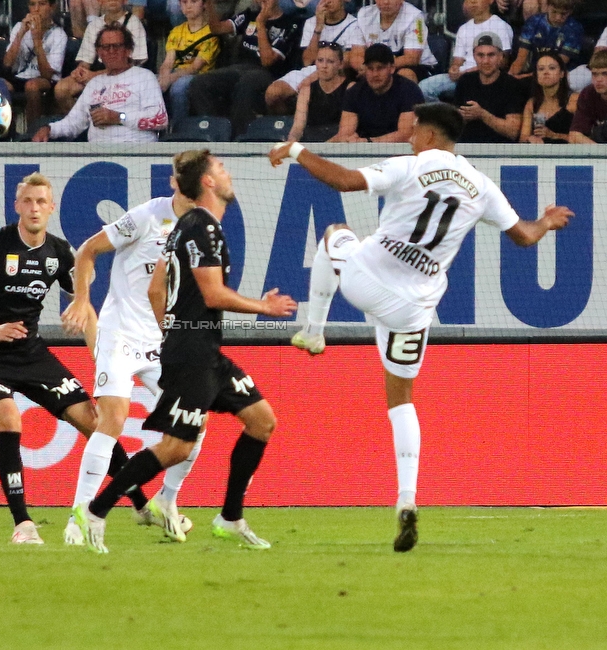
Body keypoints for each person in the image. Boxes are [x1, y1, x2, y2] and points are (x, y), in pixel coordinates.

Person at [269, 102, 574, 552]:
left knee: (334, 231)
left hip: (365, 281)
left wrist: (296, 150)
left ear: (429, 137)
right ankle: (407, 499)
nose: (410, 139)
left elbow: (344, 181)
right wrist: (547, 221)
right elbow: (524, 237)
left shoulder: (409, 167)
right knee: (401, 401)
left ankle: (314, 329)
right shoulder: (482, 186)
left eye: (413, 132)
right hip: (413, 310)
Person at [73, 149, 298, 554]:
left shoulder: (182, 227)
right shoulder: (202, 228)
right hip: (191, 351)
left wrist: (170, 329)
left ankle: (229, 517)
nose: (228, 174)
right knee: (176, 445)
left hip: (195, 348)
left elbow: (156, 288)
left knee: (261, 421)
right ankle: (96, 510)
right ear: (208, 182)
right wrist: (264, 307)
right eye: (221, 169)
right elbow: (211, 293)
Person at [0, 172, 153, 544]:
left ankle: (141, 504)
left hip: (30, 353)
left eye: (42, 202)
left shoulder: (58, 252)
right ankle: (23, 525)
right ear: (17, 206)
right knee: (9, 420)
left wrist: (102, 359)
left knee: (94, 420)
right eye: (28, 201)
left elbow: (85, 309)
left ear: (52, 208)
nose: (35, 208)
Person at [60, 159, 202, 545]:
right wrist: (81, 299)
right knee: (114, 419)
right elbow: (88, 250)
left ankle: (165, 501)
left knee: (194, 420)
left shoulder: (203, 228)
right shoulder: (146, 216)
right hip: (120, 331)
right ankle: (80, 515)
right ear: (174, 182)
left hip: (160, 340)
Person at [188, 0, 304, 138]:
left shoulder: (291, 23)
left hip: (268, 73)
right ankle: (214, 132)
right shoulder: (249, 15)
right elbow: (217, 28)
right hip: (239, 68)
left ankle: (241, 138)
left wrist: (261, 23)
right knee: (199, 82)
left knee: (247, 82)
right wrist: (210, 6)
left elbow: (267, 61)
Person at [33, 25, 166, 142]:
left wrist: (119, 117)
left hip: (137, 150)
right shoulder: (94, 84)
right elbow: (73, 122)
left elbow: (160, 119)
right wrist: (49, 129)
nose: (111, 51)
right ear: (99, 52)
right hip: (97, 154)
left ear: (128, 50)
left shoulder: (144, 77)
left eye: (117, 46)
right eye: (105, 47)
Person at [264, 0, 365, 115]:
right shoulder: (311, 23)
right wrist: (318, 28)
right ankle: (290, 123)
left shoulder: (355, 24)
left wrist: (311, 79)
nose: (328, 1)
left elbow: (347, 60)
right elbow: (307, 61)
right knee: (272, 94)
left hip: (337, 73)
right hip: (311, 69)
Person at [53, 0, 148, 116]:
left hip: (125, 77)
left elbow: (131, 66)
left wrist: (94, 75)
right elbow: (85, 62)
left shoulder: (134, 23)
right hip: (98, 74)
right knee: (62, 89)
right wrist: (80, 72)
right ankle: (84, 126)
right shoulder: (95, 25)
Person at [418, 0, 514, 103]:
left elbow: (502, 63)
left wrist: (467, 73)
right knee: (424, 88)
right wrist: (453, 70)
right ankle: (448, 116)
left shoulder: (500, 26)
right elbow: (457, 62)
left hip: (486, 77)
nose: (472, 2)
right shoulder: (463, 28)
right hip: (461, 78)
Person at [329, 43, 423, 142]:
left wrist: (369, 142)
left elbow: (406, 134)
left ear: (392, 68)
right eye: (370, 68)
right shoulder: (354, 92)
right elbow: (345, 134)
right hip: (363, 153)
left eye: (380, 68)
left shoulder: (409, 90)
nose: (375, 74)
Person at [2, 0, 66, 130]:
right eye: (32, 4)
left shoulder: (59, 34)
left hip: (47, 80)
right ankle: (6, 133)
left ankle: (32, 132)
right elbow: (7, 64)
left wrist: (37, 40)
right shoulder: (19, 27)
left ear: (51, 7)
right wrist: (20, 34)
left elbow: (47, 74)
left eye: (41, 4)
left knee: (32, 86)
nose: (36, 9)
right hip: (20, 76)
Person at [455, 32, 527, 142]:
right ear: (474, 56)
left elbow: (513, 132)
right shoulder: (465, 80)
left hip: (499, 151)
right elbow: (454, 122)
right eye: (480, 55)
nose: (485, 61)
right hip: (467, 148)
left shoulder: (512, 85)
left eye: (491, 55)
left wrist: (482, 114)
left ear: (501, 56)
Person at [158, 0, 219, 123]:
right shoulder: (176, 31)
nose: (188, 6)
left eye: (194, 1)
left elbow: (195, 67)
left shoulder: (211, 33)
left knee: (179, 87)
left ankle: (179, 128)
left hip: (198, 76)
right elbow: (167, 62)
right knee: (149, 83)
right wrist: (163, 77)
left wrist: (170, 78)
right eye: (184, 2)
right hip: (175, 73)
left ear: (204, 4)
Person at [356, 0, 438, 83]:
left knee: (405, 75)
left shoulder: (416, 16)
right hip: (378, 65)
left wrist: (378, 68)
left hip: (418, 67)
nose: (385, 2)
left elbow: (412, 58)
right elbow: (356, 53)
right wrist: (365, 67)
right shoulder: (364, 14)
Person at [287, 41, 352, 141]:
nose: (324, 66)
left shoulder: (350, 88)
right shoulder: (307, 90)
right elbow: (297, 127)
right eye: (320, 60)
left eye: (330, 61)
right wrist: (291, 144)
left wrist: (322, 149)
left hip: (338, 144)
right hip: (311, 142)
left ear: (340, 64)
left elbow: (346, 131)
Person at [508, 0, 584, 78]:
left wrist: (523, 77)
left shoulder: (574, 29)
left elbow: (557, 66)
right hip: (534, 72)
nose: (558, 17)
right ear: (547, 7)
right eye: (554, 12)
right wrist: (510, 77)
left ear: (570, 11)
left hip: (560, 76)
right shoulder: (533, 22)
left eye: (563, 14)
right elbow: (520, 60)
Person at [519, 51, 578, 142]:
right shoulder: (532, 104)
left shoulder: (574, 99)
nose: (546, 72)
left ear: (562, 73)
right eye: (541, 69)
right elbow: (522, 139)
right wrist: (529, 139)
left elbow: (585, 139)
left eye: (552, 68)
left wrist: (553, 135)